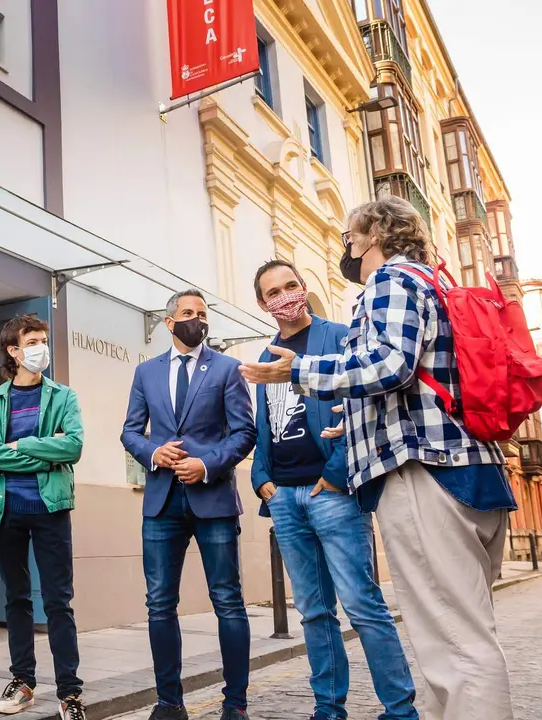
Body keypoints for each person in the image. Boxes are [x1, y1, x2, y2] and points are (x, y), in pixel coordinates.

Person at [240, 196, 517, 720]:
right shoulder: (433, 281)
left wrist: (297, 373)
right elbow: (418, 383)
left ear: (372, 234)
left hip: (426, 476)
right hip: (461, 468)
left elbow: (389, 365)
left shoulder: (391, 281)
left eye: (349, 237)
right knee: (448, 637)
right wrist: (357, 424)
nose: (346, 247)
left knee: (454, 641)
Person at [249, 260, 418, 720]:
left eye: (291, 286)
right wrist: (262, 480)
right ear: (263, 304)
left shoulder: (341, 336)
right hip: (284, 498)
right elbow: (266, 423)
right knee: (314, 613)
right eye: (273, 292)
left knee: (363, 605)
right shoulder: (267, 357)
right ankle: (328, 708)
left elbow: (361, 407)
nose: (285, 296)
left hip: (334, 494)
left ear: (303, 288)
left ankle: (400, 711)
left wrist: (339, 473)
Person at [121, 289, 256, 720]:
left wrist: (206, 463)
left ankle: (234, 704)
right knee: (159, 603)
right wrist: (152, 453)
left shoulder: (228, 369)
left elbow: (244, 433)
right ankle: (169, 702)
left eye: (201, 314)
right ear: (168, 322)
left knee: (228, 600)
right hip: (161, 503)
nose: (196, 320)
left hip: (213, 499)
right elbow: (130, 432)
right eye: (187, 313)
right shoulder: (146, 372)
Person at [0, 316, 86, 720]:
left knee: (59, 602)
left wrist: (20, 443)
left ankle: (70, 692)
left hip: (50, 510)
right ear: (14, 351)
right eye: (33, 341)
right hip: (4, 511)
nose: (42, 347)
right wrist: (45, 447)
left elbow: (73, 447)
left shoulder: (63, 396)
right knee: (17, 599)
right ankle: (22, 681)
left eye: (44, 340)